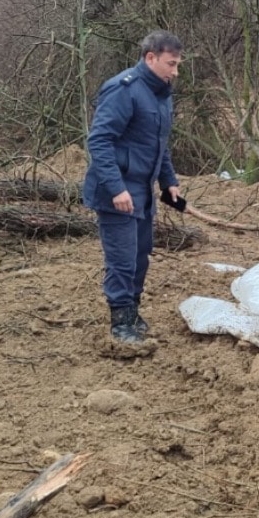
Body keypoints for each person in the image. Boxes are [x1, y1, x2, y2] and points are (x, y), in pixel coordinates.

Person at [82, 31, 184, 345]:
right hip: (117, 191)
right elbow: (99, 141)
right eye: (171, 64)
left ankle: (133, 311)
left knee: (140, 256)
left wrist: (169, 182)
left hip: (142, 189)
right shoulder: (123, 89)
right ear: (150, 57)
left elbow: (159, 145)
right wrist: (116, 188)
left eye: (178, 65)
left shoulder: (161, 94)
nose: (175, 72)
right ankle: (120, 321)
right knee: (122, 259)